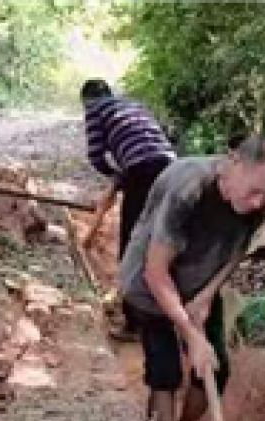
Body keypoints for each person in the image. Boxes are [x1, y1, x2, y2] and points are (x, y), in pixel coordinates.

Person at [119, 134, 265, 421]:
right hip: (149, 286)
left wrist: (207, 295)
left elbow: (238, 250)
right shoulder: (189, 186)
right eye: (254, 192)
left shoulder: (259, 203)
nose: (258, 203)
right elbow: (156, 272)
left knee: (214, 368)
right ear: (235, 162)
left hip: (199, 284)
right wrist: (191, 334)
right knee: (165, 370)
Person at [80, 79, 176, 341]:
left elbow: (96, 156)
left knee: (133, 243)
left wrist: (117, 175)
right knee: (164, 239)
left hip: (142, 171)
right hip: (171, 169)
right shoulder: (134, 105)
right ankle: (171, 313)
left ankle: (133, 323)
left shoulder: (95, 109)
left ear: (86, 100)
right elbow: (161, 139)